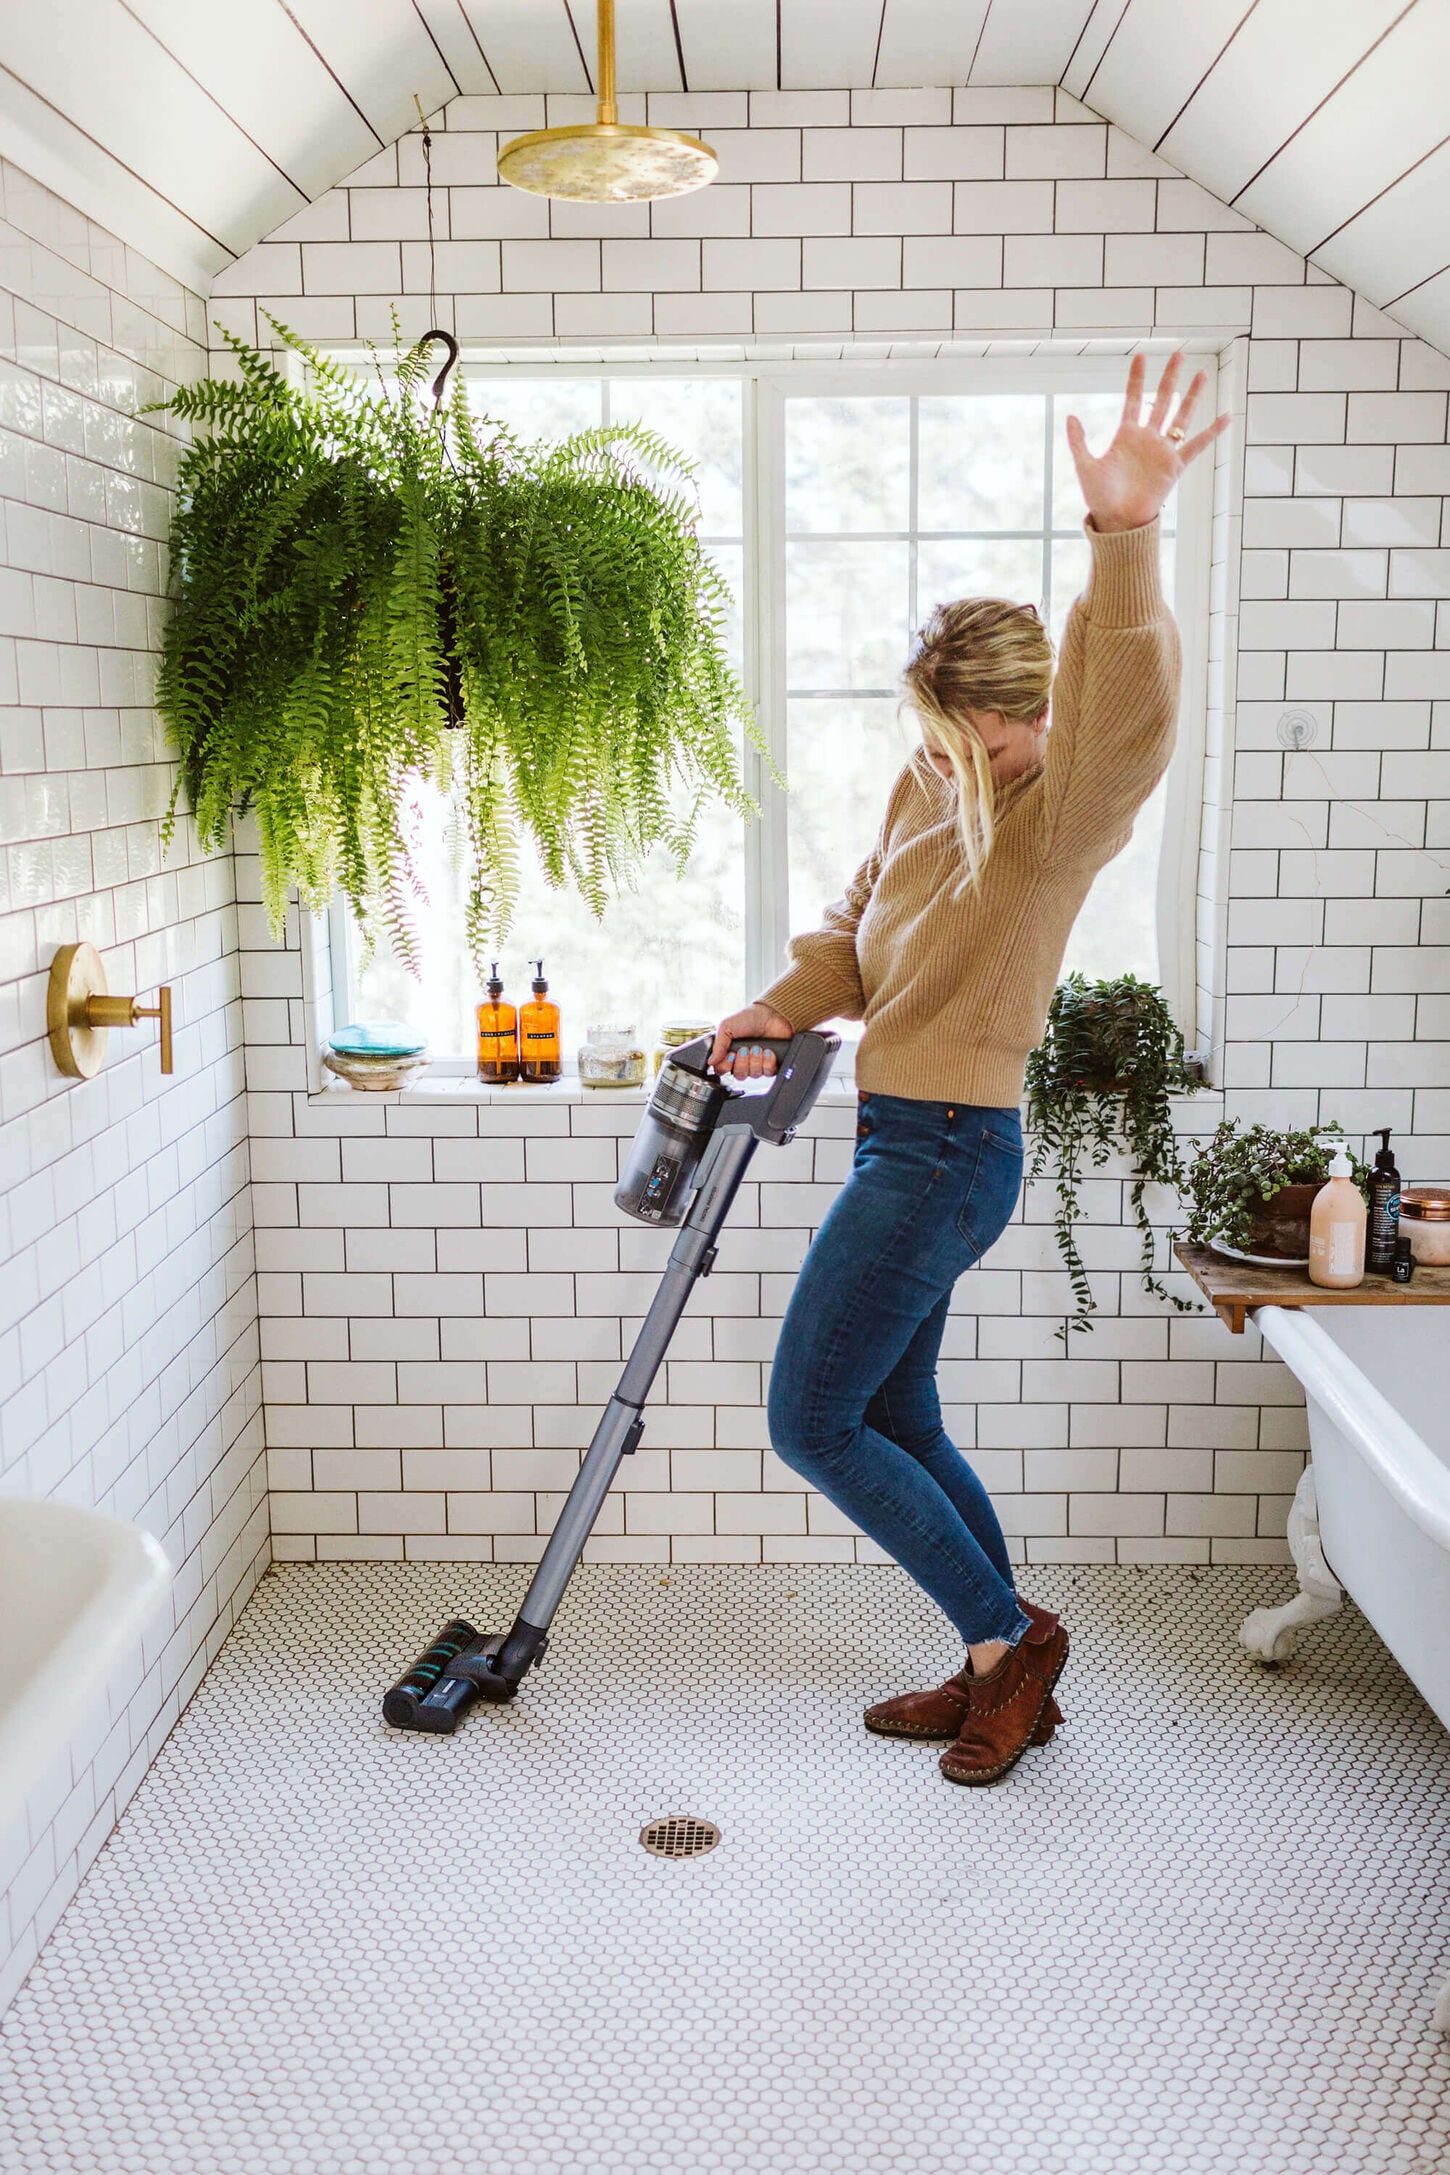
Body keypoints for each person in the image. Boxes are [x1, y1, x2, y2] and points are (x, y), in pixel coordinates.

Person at [710, 352, 1229, 1787]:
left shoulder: (1062, 806)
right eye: (937, 732)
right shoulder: (931, 782)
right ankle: (997, 1659)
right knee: (891, 1415)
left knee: (809, 1420)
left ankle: (1010, 1644)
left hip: (948, 1151)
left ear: (1027, 717)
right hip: (900, 1137)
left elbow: (1125, 706)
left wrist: (1123, 535)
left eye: (973, 731)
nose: (950, 756)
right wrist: (769, 1007)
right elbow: (848, 927)